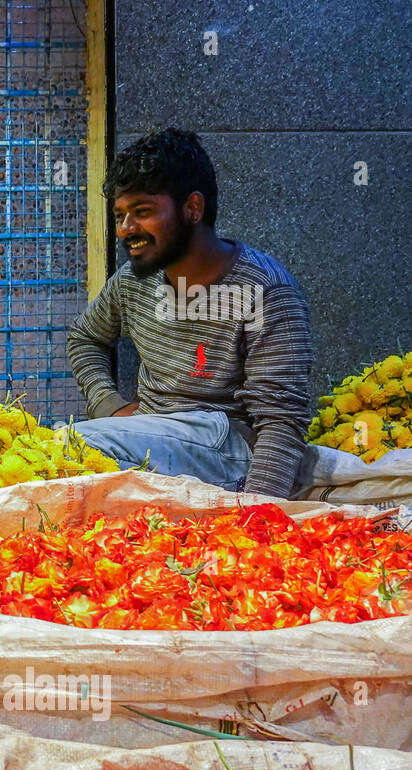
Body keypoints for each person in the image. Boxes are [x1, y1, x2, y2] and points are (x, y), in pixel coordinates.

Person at [66, 129, 312, 499]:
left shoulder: (266, 291)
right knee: (53, 449)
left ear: (192, 209)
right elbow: (85, 338)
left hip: (228, 444)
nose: (125, 230)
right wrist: (108, 404)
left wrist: (258, 515)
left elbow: (281, 421)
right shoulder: (134, 280)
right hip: (149, 431)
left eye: (142, 213)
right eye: (120, 216)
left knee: (73, 445)